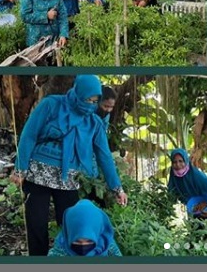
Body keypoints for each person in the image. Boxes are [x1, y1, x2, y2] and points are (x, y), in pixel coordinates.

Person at [11, 75, 128, 256]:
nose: (90, 104)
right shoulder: (51, 105)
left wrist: (117, 188)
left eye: (94, 100)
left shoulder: (94, 122)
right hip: (38, 173)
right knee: (36, 224)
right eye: (87, 99)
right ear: (78, 92)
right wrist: (20, 169)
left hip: (69, 179)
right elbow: (29, 134)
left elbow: (104, 156)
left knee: (70, 226)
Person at [167, 148, 207, 228]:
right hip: (197, 209)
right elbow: (171, 195)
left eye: (181, 161)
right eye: (174, 162)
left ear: (186, 161)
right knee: (199, 236)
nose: (178, 165)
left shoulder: (197, 176)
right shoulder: (174, 178)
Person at [48, 199, 122, 256]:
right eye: (77, 241)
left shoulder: (107, 244)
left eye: (89, 241)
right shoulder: (61, 246)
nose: (83, 246)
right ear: (69, 234)